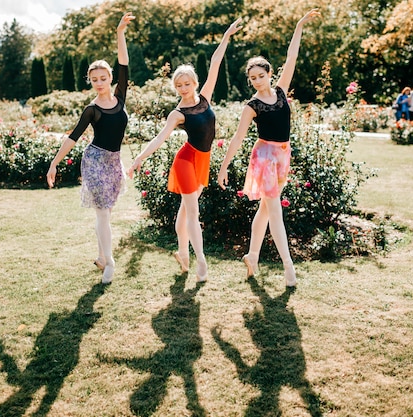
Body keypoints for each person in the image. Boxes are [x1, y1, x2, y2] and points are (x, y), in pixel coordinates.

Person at [128, 18, 244, 282]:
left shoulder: (205, 98)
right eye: (178, 85)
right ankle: (201, 261)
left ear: (194, 82)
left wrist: (226, 35)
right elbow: (159, 139)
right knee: (193, 211)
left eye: (187, 83)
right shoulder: (177, 113)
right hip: (186, 160)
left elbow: (215, 63)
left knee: (185, 210)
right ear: (175, 87)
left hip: (204, 160)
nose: (183, 88)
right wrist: (138, 158)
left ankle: (182, 252)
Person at [217, 9, 320, 288]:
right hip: (263, 157)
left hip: (283, 155)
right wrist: (224, 166)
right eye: (253, 78)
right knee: (275, 210)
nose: (257, 81)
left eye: (261, 75)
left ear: (269, 74)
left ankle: (252, 255)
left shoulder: (282, 91)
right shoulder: (252, 106)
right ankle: (289, 267)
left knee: (265, 209)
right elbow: (238, 138)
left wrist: (298, 24)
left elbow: (292, 58)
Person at [47, 12, 135, 284]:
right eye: (94, 79)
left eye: (103, 77)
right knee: (103, 212)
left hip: (114, 162)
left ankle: (100, 255)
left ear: (110, 78)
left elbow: (124, 63)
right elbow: (73, 137)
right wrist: (54, 162)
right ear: (91, 81)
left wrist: (120, 32)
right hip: (95, 161)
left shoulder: (120, 99)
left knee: (107, 213)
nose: (99, 82)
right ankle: (109, 262)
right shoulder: (91, 110)